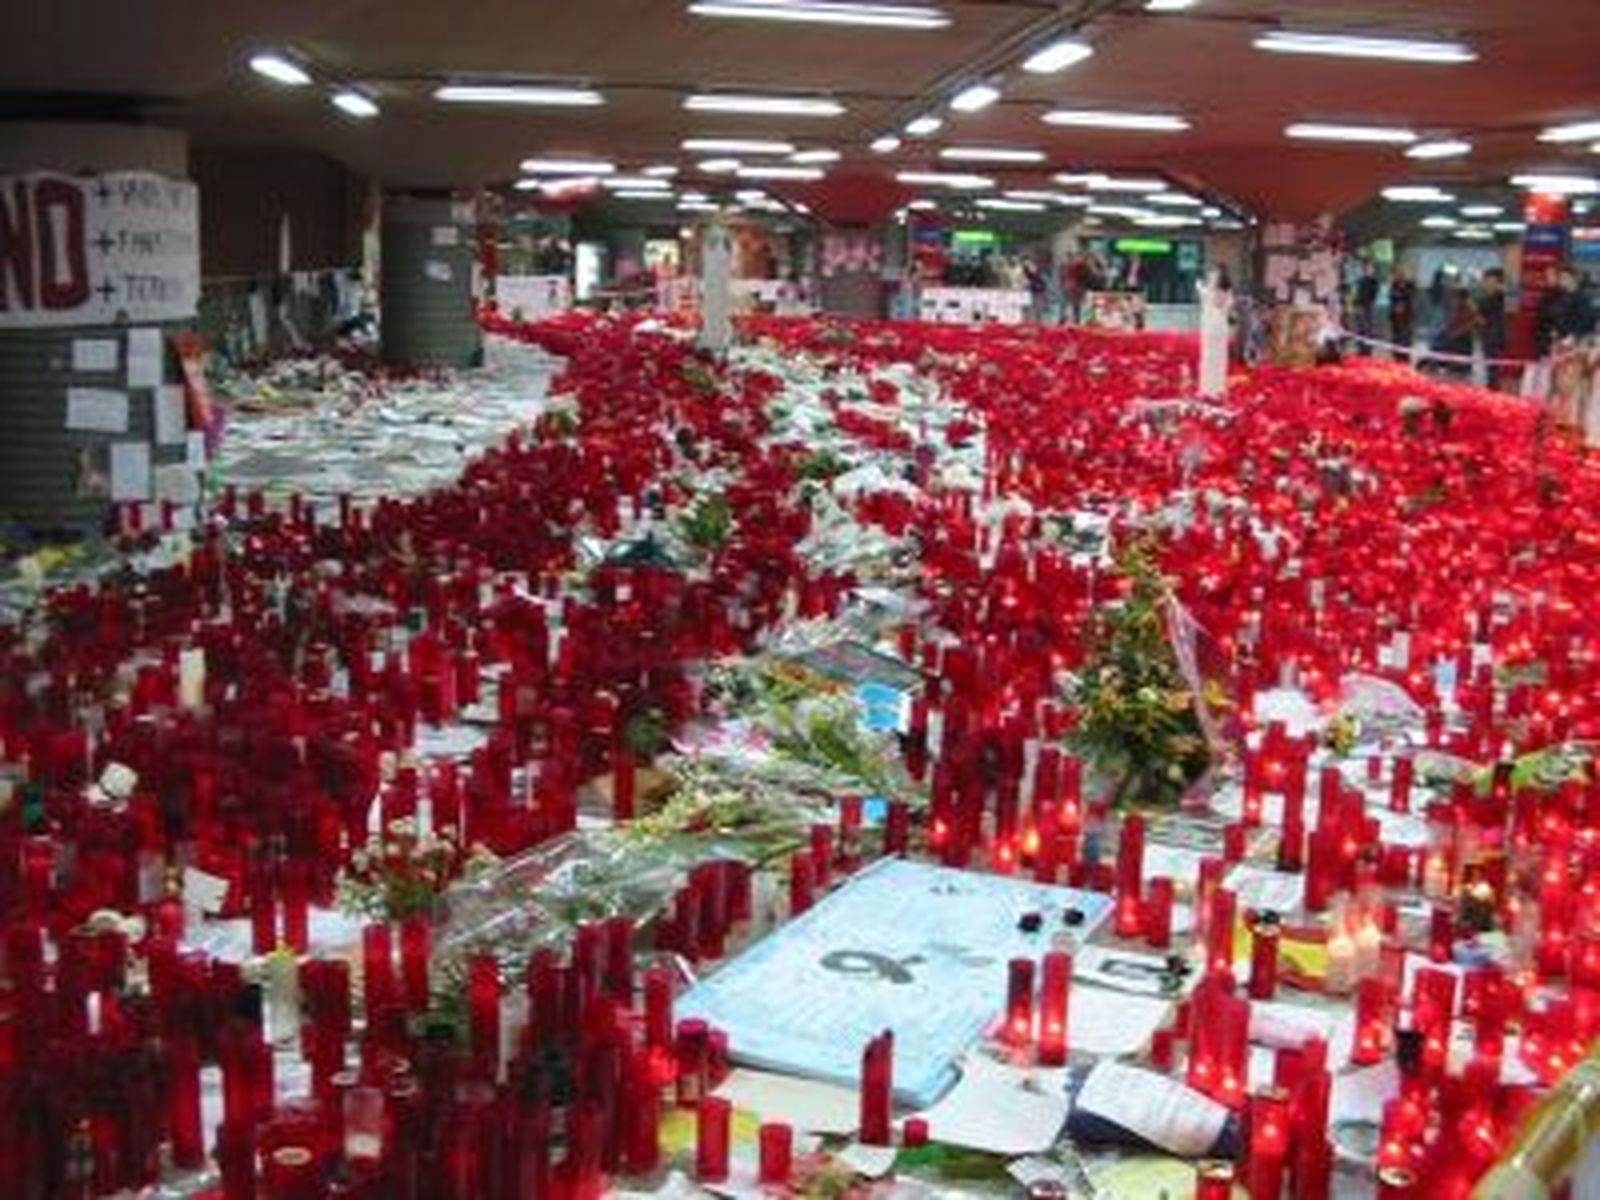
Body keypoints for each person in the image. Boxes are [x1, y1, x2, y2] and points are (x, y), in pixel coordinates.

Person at [1536, 266, 1598, 357]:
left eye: (1564, 278)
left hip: (1574, 343)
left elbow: (1586, 320)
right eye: (1561, 278)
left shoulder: (1583, 298)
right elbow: (1555, 317)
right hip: (1559, 340)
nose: (1561, 281)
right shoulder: (1560, 296)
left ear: (1573, 279)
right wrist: (1554, 330)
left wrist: (1574, 335)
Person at [1431, 287, 1481, 377]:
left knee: (1460, 360)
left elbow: (1471, 323)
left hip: (1462, 339)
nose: (1454, 300)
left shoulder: (1470, 308)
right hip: (1455, 336)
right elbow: (1452, 321)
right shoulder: (1458, 306)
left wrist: (1454, 332)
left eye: (1455, 297)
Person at [1477, 268, 1509, 386]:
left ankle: (1494, 391)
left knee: (1495, 369)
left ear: (1498, 283)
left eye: (1491, 281)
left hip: (1497, 338)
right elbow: (1480, 318)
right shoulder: (1484, 299)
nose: (1487, 284)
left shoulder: (1502, 297)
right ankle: (1491, 389)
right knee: (1490, 368)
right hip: (1487, 336)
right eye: (1486, 281)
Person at [1388, 267, 1417, 359]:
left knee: (1406, 337)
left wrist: (1402, 302)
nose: (1400, 276)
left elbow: (1411, 297)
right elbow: (1392, 296)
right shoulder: (1394, 285)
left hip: (1407, 317)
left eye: (1402, 274)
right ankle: (1396, 356)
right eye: (1398, 274)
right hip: (1395, 317)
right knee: (1396, 337)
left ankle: (1406, 356)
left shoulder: (1411, 285)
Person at [1353, 262, 1380, 348]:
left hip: (1368, 306)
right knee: (1360, 327)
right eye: (1367, 268)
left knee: (1369, 328)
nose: (1368, 270)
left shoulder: (1374, 282)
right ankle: (1360, 345)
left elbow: (1373, 295)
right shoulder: (1360, 281)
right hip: (1360, 306)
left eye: (1370, 269)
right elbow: (1357, 294)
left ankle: (1368, 346)